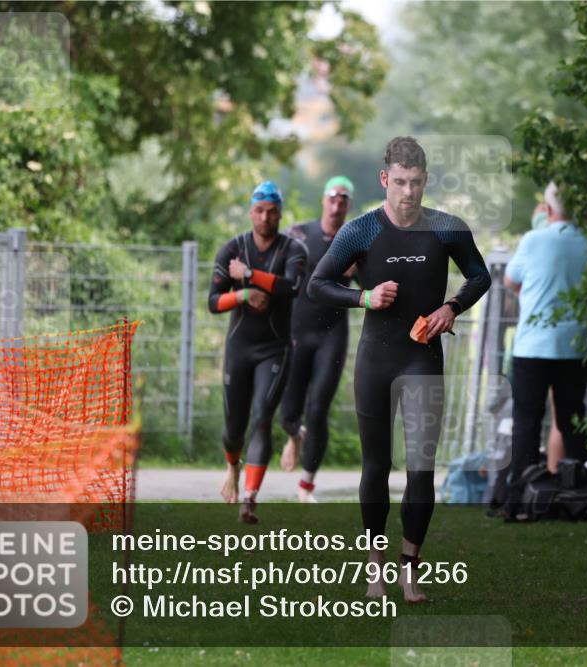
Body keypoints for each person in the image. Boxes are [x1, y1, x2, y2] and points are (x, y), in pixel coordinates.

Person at [308, 137, 491, 602]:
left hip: (422, 359)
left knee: (421, 469)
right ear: (385, 179)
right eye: (400, 182)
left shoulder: (447, 229)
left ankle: (410, 569)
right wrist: (364, 297)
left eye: (417, 183)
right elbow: (318, 285)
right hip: (376, 360)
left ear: (425, 180)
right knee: (376, 466)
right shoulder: (362, 231)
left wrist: (452, 307)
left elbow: (480, 276)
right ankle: (376, 569)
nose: (409, 192)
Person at [208, 181, 307, 524]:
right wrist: (243, 295)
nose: (266, 217)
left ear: (280, 213)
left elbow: (292, 287)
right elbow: (212, 302)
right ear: (251, 212)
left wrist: (249, 276)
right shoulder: (231, 249)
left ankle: (249, 499)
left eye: (272, 211)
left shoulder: (293, 249)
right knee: (233, 428)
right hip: (240, 347)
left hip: (275, 348)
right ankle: (232, 467)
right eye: (260, 210)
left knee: (262, 417)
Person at [500, 181, 587, 521]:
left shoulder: (533, 240)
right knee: (572, 423)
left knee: (526, 424)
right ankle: (581, 496)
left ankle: (518, 501)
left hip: (532, 346)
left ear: (549, 208)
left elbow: (511, 280)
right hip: (573, 346)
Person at [278, 176, 357, 503]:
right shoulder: (298, 233)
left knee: (318, 408)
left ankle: (306, 486)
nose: (337, 205)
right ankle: (294, 436)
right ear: (324, 200)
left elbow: (371, 285)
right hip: (297, 331)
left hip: (332, 334)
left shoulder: (355, 241)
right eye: (332, 198)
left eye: (343, 200)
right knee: (288, 413)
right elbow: (273, 266)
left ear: (348, 205)